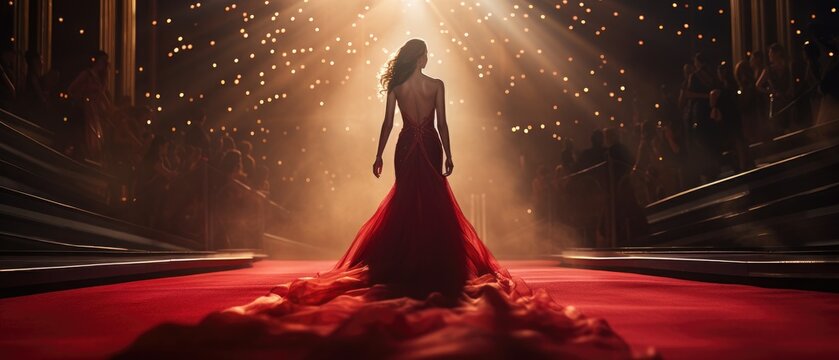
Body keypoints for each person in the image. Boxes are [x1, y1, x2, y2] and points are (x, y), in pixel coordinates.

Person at [118, 39, 633, 359]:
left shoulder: (399, 88)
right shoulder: (436, 83)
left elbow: (388, 123)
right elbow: (445, 122)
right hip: (427, 142)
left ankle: (401, 257)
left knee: (408, 200)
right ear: (424, 58)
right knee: (433, 201)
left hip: (409, 144)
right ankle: (433, 258)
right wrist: (450, 155)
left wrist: (380, 154)